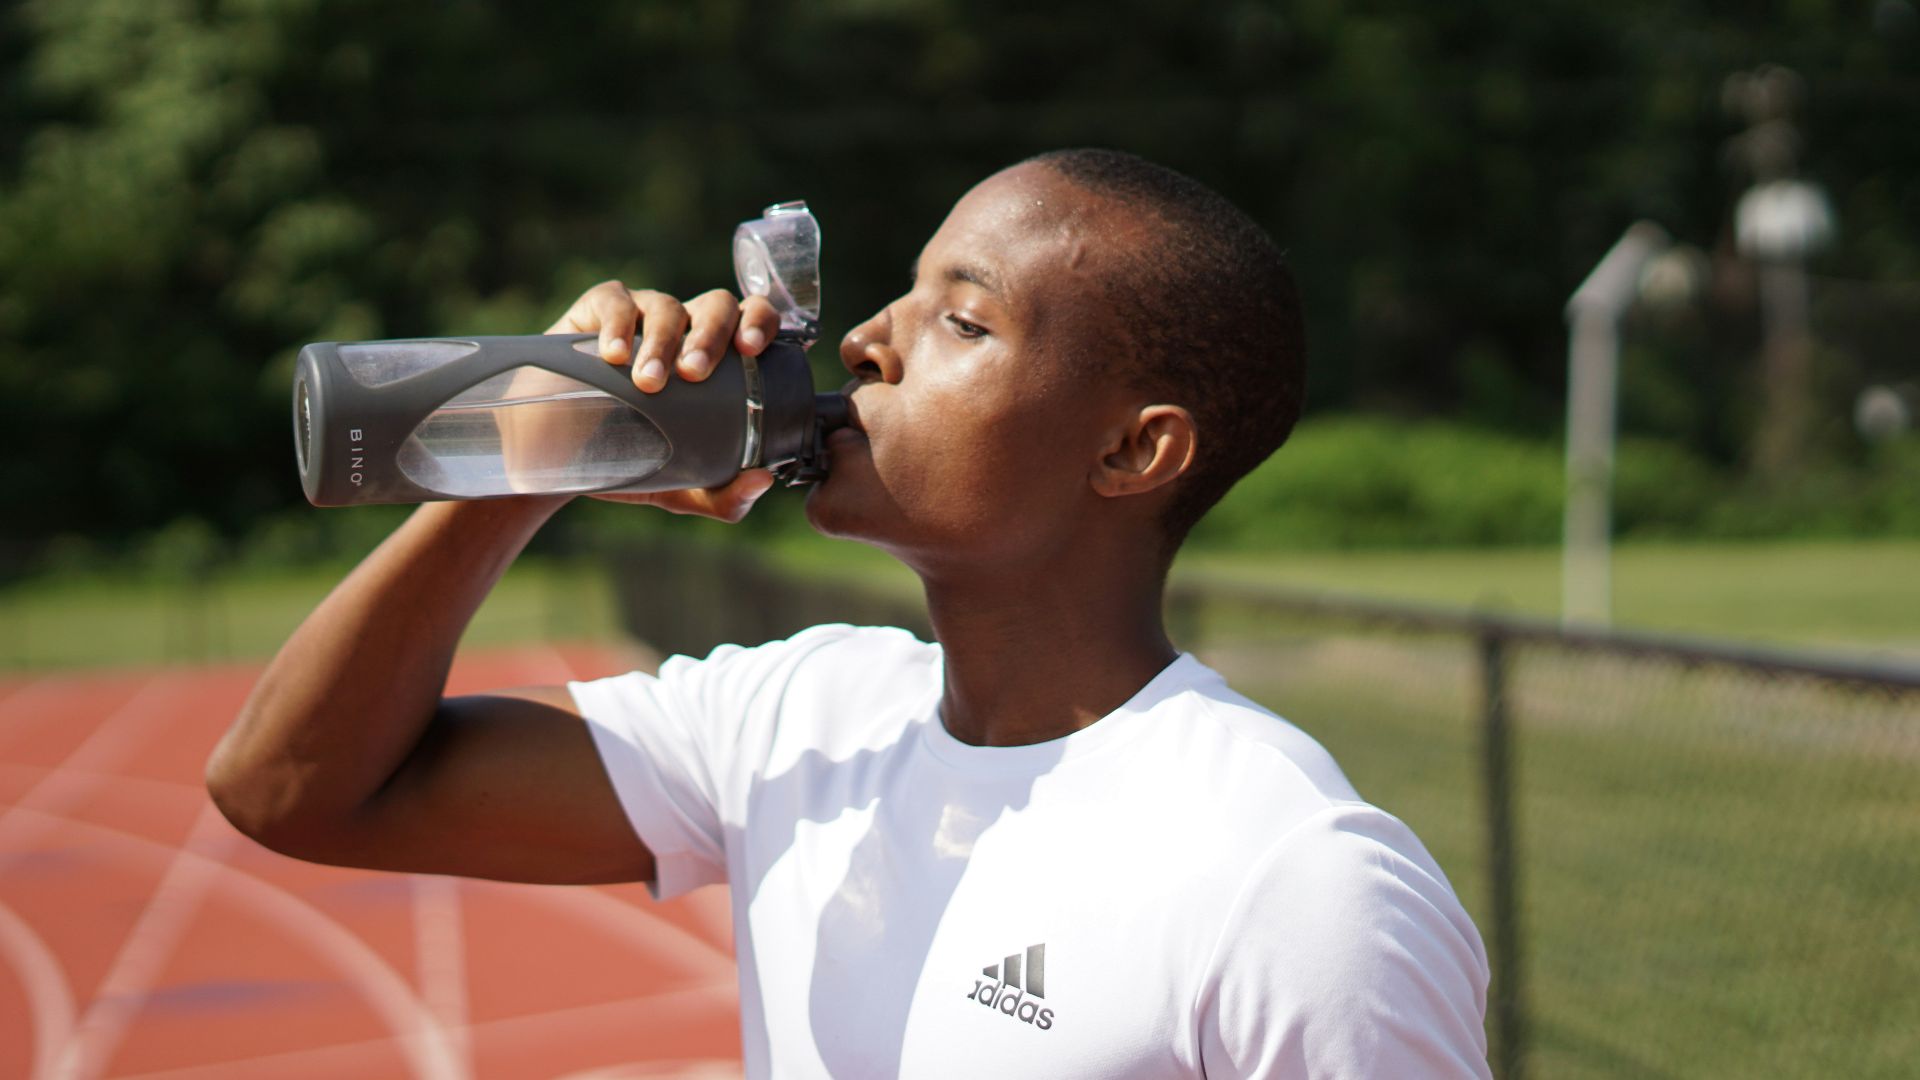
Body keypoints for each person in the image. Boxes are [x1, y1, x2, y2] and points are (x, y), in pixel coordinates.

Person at [207, 148, 1492, 1078]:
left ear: (1131, 451)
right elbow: (292, 789)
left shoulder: (1295, 878)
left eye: (962, 320)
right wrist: (540, 447)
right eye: (902, 295)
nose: (870, 341)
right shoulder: (801, 715)